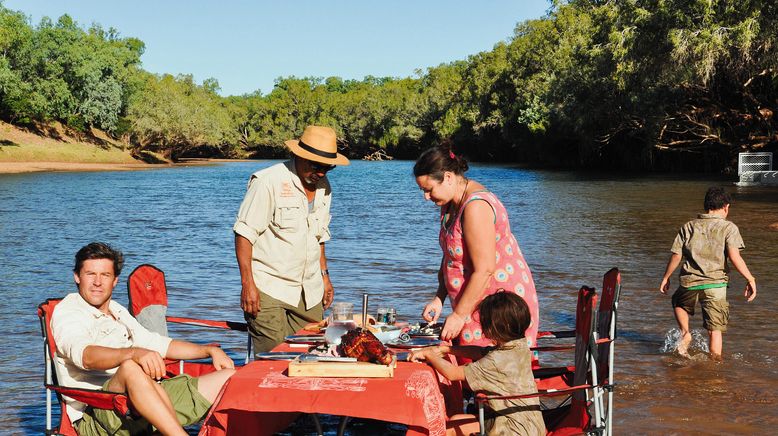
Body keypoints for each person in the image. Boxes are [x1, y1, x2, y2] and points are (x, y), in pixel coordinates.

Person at [52, 242, 236, 436]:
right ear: (77, 277)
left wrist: (208, 350)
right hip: (99, 411)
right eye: (90, 274)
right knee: (130, 367)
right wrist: (133, 353)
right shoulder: (69, 312)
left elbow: (157, 343)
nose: (97, 282)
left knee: (229, 377)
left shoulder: (117, 310)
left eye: (105, 275)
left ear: (114, 280)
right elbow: (86, 356)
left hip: (146, 396)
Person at [414, 144, 540, 354]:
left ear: (448, 177)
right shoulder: (449, 204)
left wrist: (459, 315)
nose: (426, 197)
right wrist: (439, 297)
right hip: (472, 300)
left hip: (498, 305)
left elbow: (485, 269)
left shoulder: (476, 206)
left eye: (428, 190)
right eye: (422, 191)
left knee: (489, 370)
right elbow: (451, 256)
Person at [234, 125, 350, 353]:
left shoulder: (324, 187)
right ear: (298, 155)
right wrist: (247, 285)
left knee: (314, 355)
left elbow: (319, 236)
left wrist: (325, 277)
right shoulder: (268, 182)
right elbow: (244, 234)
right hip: (268, 289)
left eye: (328, 167)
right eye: (316, 166)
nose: (321, 173)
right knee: (274, 361)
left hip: (310, 292)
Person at [409, 292, 545, 436]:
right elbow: (480, 352)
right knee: (456, 419)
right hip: (531, 423)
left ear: (492, 328)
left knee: (446, 431)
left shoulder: (495, 362)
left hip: (512, 429)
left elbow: (452, 373)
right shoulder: (519, 347)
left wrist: (429, 354)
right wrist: (447, 349)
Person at [659, 187, 757, 360]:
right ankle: (715, 366)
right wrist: (750, 278)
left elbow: (676, 255)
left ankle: (685, 333)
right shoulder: (729, 228)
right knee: (715, 330)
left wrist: (666, 277)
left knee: (678, 302)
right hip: (717, 285)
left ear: (706, 206)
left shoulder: (688, 226)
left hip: (690, 282)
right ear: (726, 207)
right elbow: (735, 257)